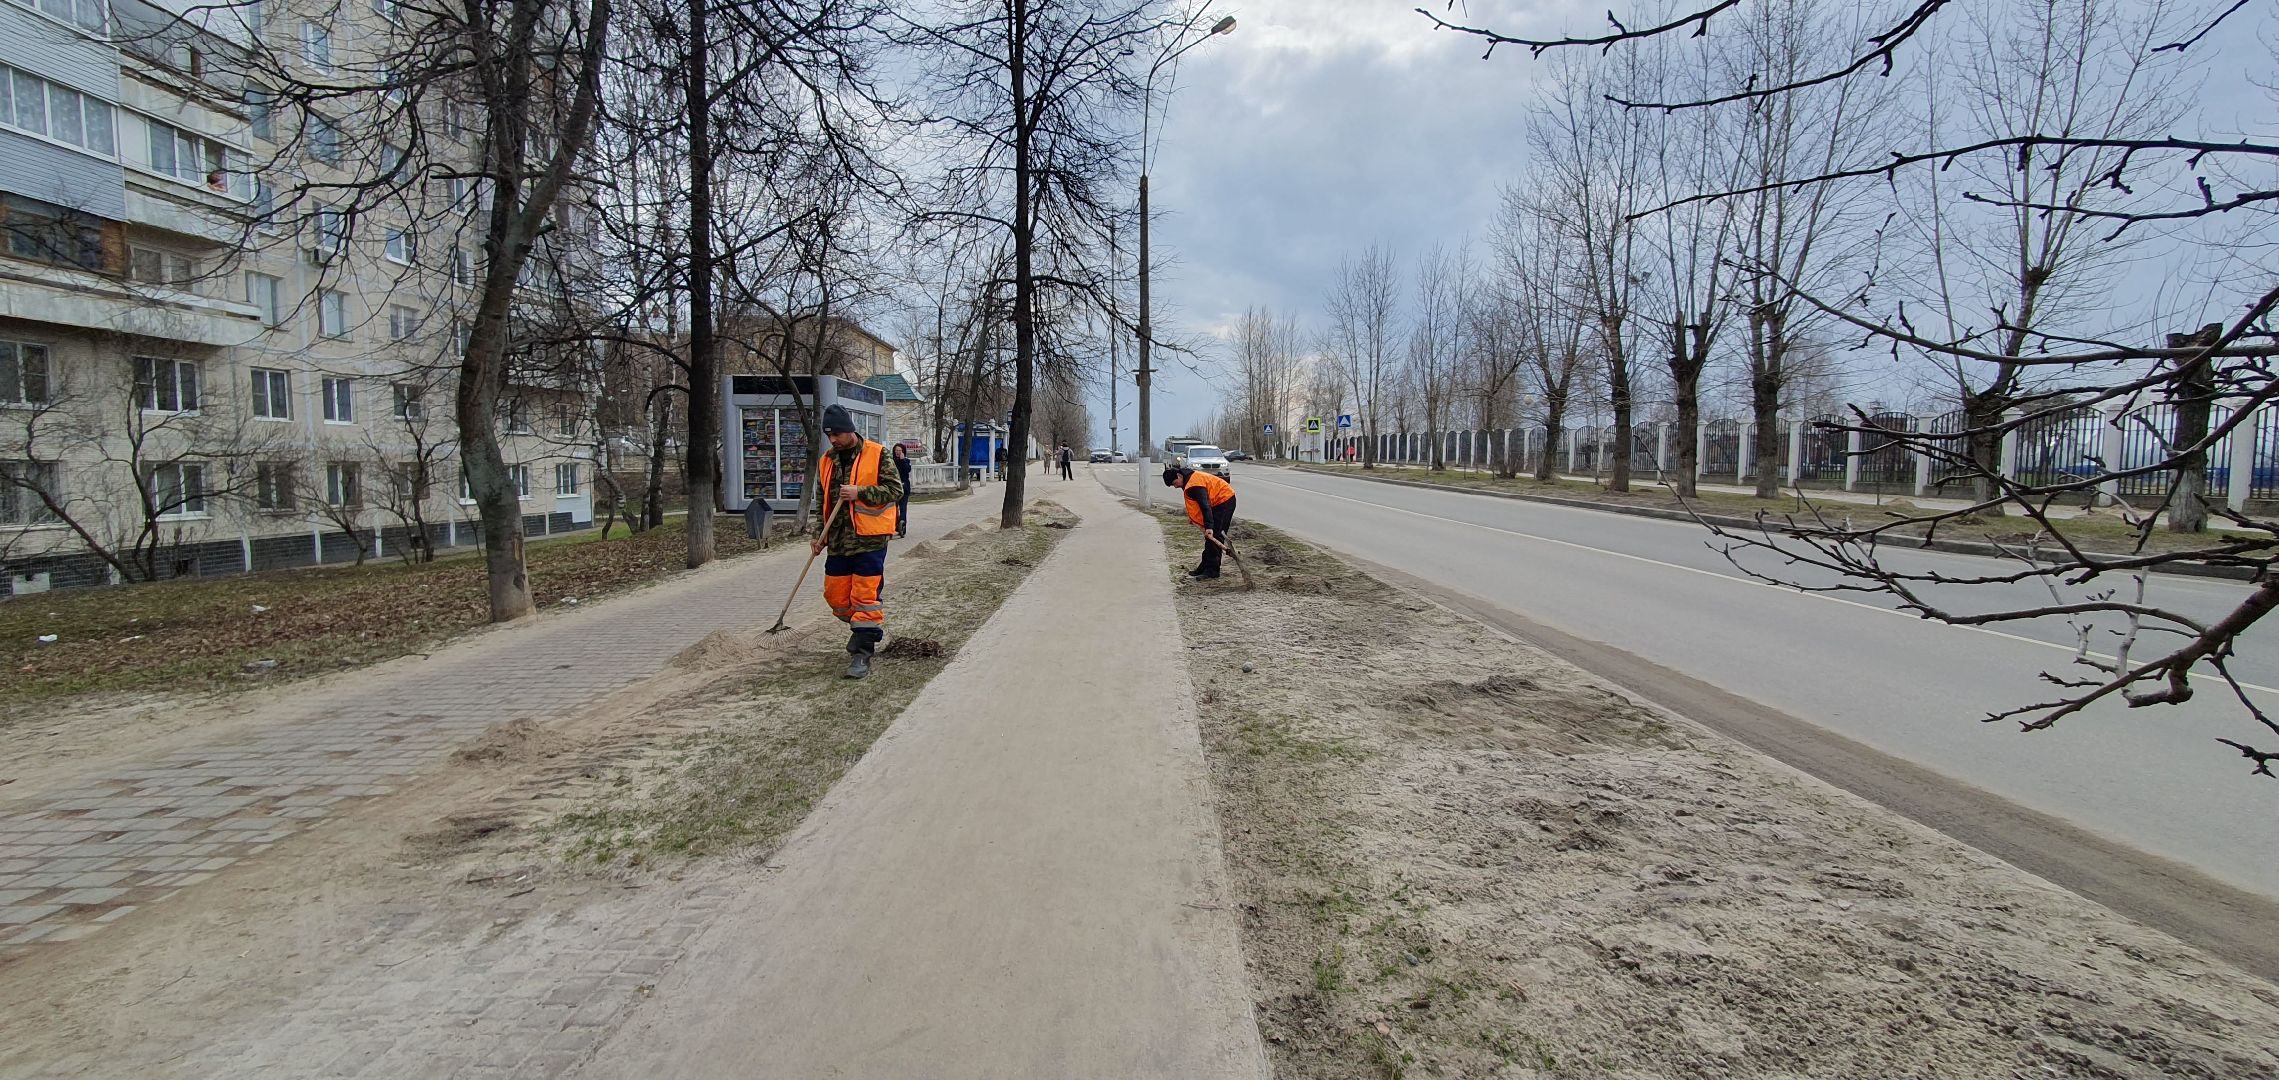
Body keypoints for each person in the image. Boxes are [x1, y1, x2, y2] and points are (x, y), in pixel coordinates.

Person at [814, 405, 903, 679]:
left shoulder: (877, 453)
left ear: (850, 430)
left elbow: (895, 490)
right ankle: (864, 629)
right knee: (836, 596)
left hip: (870, 540)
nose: (833, 440)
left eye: (837, 434)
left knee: (865, 597)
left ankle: (862, 652)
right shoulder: (827, 460)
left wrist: (859, 492)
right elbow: (822, 501)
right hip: (838, 540)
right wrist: (819, 536)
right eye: (829, 435)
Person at [1163, 463, 1235, 580]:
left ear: (1179, 476)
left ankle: (1212, 571)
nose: (1175, 487)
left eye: (1175, 483)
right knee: (1210, 538)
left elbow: (1205, 506)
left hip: (1225, 500)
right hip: (1216, 502)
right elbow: (1198, 505)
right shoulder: (1188, 480)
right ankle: (1205, 567)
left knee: (1215, 536)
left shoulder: (1195, 485)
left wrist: (1209, 527)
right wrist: (1195, 519)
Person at [890, 442, 913, 538]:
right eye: (896, 450)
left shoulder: (906, 461)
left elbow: (907, 470)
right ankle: (893, 527)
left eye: (900, 450)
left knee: (903, 508)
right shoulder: (891, 461)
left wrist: (902, 460)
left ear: (903, 451)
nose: (898, 452)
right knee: (892, 508)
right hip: (893, 487)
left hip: (904, 487)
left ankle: (902, 527)